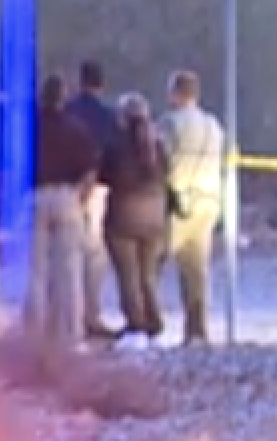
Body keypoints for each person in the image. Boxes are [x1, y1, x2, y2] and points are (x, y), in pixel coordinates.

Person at [28, 75, 100, 349]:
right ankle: (71, 335)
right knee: (69, 271)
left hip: (35, 196)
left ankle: (35, 335)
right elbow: (90, 171)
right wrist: (80, 199)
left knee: (35, 272)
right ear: (63, 97)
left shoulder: (28, 128)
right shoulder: (75, 129)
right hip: (66, 196)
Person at [97, 93, 173, 348]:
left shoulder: (115, 147)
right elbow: (167, 173)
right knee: (148, 275)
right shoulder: (159, 147)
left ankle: (136, 326)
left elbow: (103, 176)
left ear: (123, 118)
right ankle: (156, 326)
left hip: (123, 215)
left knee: (129, 275)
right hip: (155, 217)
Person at [158, 68, 227, 345]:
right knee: (196, 271)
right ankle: (197, 330)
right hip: (208, 203)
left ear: (176, 93)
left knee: (152, 265)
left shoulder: (170, 123)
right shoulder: (214, 125)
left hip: (179, 202)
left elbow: (159, 160)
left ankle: (146, 326)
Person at [63, 61, 123, 340]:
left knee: (68, 253)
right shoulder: (108, 116)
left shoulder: (69, 111)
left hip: (68, 187)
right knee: (94, 254)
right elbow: (114, 151)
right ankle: (91, 313)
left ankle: (68, 316)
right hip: (98, 187)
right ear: (101, 84)